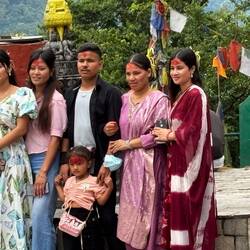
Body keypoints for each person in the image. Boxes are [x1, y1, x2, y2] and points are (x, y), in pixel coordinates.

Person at [60, 42, 124, 250]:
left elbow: (116, 134)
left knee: (105, 215)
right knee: (77, 214)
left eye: (90, 60)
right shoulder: (71, 93)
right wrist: (64, 163)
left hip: (101, 161)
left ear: (100, 64)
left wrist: (108, 165)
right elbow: (66, 131)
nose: (84, 65)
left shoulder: (110, 93)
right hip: (77, 162)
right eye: (81, 61)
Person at [152, 48, 217, 249]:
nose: (174, 73)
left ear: (192, 69)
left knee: (188, 214)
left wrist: (169, 135)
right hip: (177, 164)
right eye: (172, 68)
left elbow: (194, 129)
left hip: (191, 167)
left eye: (180, 68)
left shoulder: (196, 94)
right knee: (177, 214)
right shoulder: (180, 95)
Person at [109, 53, 170, 250]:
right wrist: (110, 129)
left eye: (137, 73)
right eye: (128, 74)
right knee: (130, 213)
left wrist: (129, 144)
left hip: (151, 163)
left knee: (150, 213)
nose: (132, 78)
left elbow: (159, 135)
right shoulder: (124, 99)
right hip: (129, 168)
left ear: (148, 73)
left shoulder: (159, 100)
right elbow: (119, 129)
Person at [25, 48, 67, 250]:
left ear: (51, 71)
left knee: (41, 217)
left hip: (45, 161)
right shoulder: (25, 96)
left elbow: (56, 138)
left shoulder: (56, 100)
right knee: (28, 216)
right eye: (33, 68)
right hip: (25, 160)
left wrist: (43, 173)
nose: (36, 73)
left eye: (41, 68)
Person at [0, 49, 37, 249]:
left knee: (12, 208)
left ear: (8, 67)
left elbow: (21, 129)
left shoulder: (23, 94)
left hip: (13, 156)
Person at [55, 146, 114, 250]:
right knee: (70, 246)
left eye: (79, 164)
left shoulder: (94, 181)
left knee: (89, 246)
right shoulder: (69, 181)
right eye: (72, 164)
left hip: (87, 219)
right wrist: (58, 186)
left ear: (89, 163)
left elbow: (101, 201)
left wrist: (110, 188)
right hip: (69, 217)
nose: (75, 168)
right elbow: (65, 199)